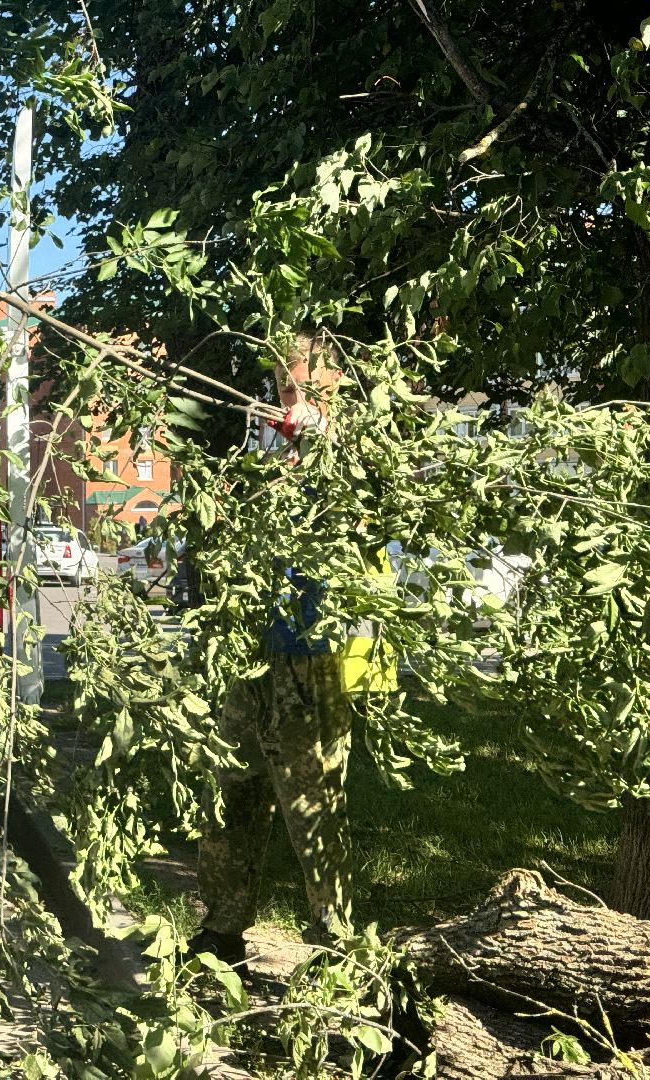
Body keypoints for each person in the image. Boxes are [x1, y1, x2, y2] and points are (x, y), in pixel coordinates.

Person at [190, 333, 380, 965]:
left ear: (333, 384)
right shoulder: (263, 434)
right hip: (250, 648)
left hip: (314, 653)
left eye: (299, 385)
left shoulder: (356, 439)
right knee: (232, 792)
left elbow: (363, 489)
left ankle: (338, 950)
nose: (286, 397)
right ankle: (222, 930)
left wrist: (318, 431)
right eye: (278, 385)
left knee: (313, 807)